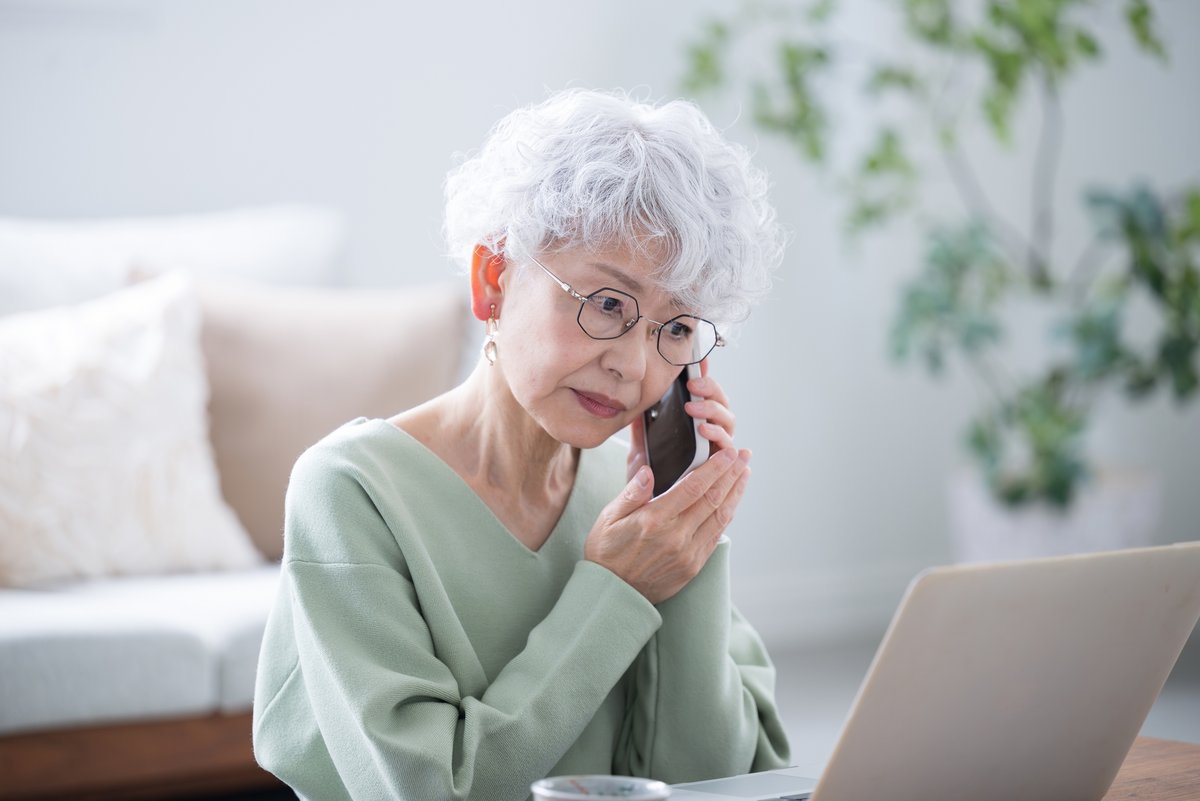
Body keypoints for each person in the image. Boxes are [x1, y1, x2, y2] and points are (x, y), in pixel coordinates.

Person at [252, 88, 791, 801]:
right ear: (493, 280)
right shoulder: (351, 490)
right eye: (607, 304)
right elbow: (431, 790)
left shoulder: (638, 503)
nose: (634, 364)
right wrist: (618, 589)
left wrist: (687, 539)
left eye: (677, 328)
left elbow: (711, 782)